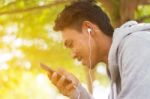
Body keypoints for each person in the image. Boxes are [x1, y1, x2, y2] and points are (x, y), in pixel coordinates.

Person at [48, 1, 150, 99]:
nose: (72, 55)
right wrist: (78, 93)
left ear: (89, 29)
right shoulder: (115, 79)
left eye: (71, 44)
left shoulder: (136, 44)